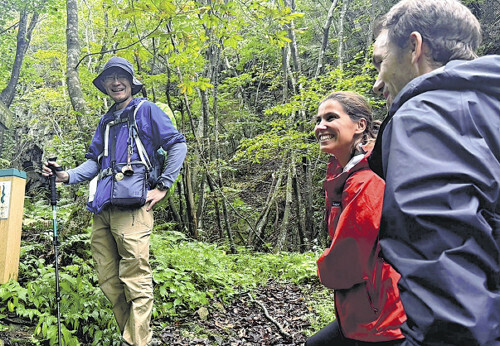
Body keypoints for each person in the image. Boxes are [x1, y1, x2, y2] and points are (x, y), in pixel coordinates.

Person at [369, 0, 500, 344]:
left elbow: (454, 315)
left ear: (415, 47)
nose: (376, 82)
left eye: (380, 62)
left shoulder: (425, 117)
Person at [42, 56, 187, 345]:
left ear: (131, 82)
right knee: (109, 279)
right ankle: (131, 334)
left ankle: (136, 341)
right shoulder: (106, 121)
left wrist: (163, 186)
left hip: (134, 209)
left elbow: (177, 144)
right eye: (110, 78)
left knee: (135, 278)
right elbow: (95, 163)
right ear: (105, 84)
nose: (116, 82)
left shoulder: (147, 111)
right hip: (103, 209)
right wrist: (66, 176)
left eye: (121, 77)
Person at [307, 91, 406, 346]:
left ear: (360, 125)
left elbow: (349, 258)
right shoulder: (342, 175)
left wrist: (323, 269)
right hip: (364, 308)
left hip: (382, 315)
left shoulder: (365, 180)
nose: (321, 126)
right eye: (318, 120)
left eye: (331, 117)